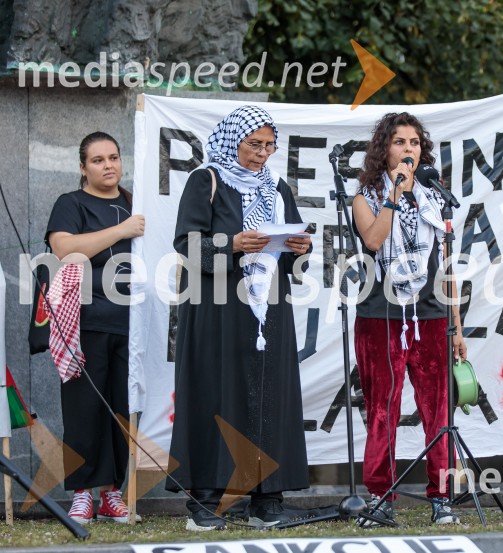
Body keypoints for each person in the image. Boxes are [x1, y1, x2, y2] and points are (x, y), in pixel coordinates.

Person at [165, 105, 312, 531]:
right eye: (254, 144)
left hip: (267, 312)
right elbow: (187, 246)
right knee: (216, 393)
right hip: (217, 311)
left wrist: (298, 250)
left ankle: (268, 499)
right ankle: (206, 502)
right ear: (234, 140)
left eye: (269, 146)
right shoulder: (205, 180)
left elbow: (288, 258)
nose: (261, 154)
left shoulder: (277, 187)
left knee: (268, 396)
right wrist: (233, 243)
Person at [352, 112, 467, 526]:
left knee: (437, 409)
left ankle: (442, 498)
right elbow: (374, 239)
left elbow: (447, 264)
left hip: (432, 314)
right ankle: (381, 497)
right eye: (400, 142)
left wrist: (456, 324)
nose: (408, 150)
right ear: (384, 150)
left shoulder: (435, 196)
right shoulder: (364, 196)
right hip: (380, 315)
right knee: (382, 408)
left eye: (415, 143)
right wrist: (395, 196)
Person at [47, 132, 145, 524]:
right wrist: (122, 231)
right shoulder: (72, 203)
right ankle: (83, 494)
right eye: (98, 160)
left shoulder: (134, 204)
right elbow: (63, 248)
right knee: (84, 409)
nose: (108, 165)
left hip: (132, 324)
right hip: (84, 322)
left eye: (114, 157)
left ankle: (111, 494)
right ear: (83, 167)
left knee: (122, 409)